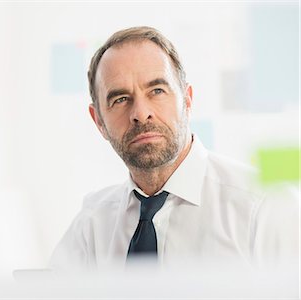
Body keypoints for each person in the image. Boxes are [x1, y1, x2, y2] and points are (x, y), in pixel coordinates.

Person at [49, 26, 299, 272]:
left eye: (157, 90)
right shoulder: (92, 224)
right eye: (121, 99)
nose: (140, 113)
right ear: (99, 121)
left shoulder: (265, 207)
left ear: (187, 100)